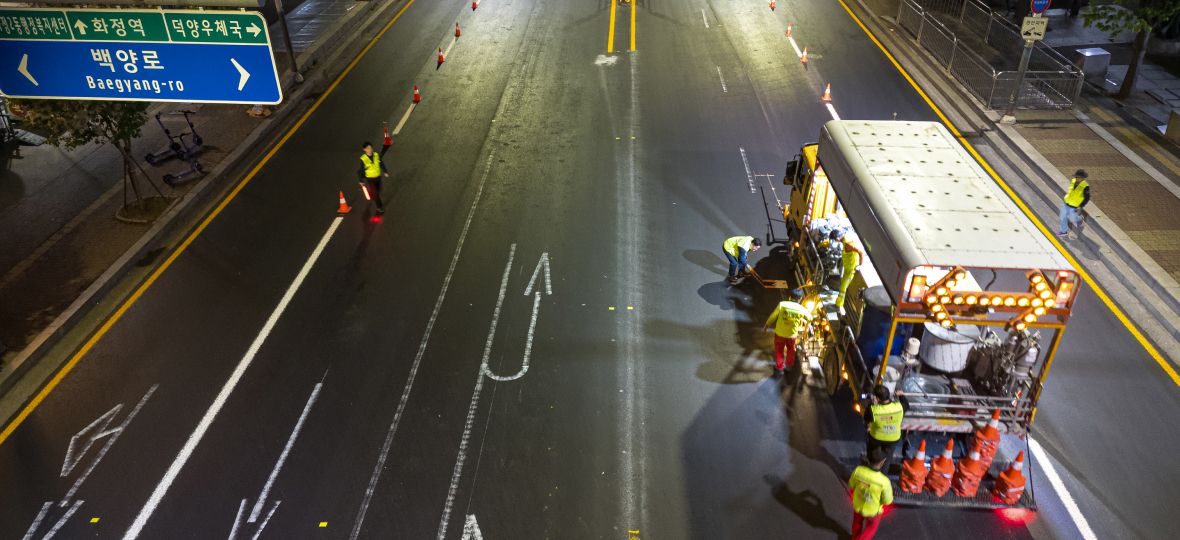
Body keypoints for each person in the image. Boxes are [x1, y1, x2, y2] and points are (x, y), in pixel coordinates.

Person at [763, 288, 811, 377]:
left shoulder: (782, 305)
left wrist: (767, 325)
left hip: (780, 334)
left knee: (779, 351)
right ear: (800, 298)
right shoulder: (801, 308)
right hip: (791, 335)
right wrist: (801, 317)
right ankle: (789, 366)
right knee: (790, 350)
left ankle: (779, 368)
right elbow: (810, 318)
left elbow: (773, 316)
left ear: (790, 297)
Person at [850, 447, 893, 540]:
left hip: (858, 505)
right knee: (871, 527)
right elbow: (888, 500)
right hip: (873, 512)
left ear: (868, 459)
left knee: (857, 523)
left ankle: (855, 538)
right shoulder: (884, 481)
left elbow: (851, 484)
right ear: (881, 463)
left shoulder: (858, 471)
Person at [863, 384, 905, 472]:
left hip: (876, 439)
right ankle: (883, 475)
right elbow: (906, 405)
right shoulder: (898, 407)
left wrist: (871, 404)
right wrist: (901, 395)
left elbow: (866, 418)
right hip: (893, 439)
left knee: (873, 459)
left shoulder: (874, 410)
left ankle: (871, 473)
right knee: (887, 459)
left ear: (877, 399)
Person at [833, 230, 866, 309]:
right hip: (848, 268)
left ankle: (839, 305)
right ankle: (839, 304)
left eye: (835, 239)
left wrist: (861, 265)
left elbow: (861, 252)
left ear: (837, 238)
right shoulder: (846, 241)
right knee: (842, 285)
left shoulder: (848, 244)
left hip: (852, 269)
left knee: (843, 287)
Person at [357, 142, 389, 214]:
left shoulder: (376, 155)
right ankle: (379, 206)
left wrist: (385, 171)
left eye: (370, 147)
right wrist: (360, 180)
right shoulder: (363, 159)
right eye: (368, 148)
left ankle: (373, 194)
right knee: (376, 194)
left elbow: (381, 163)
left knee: (379, 189)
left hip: (378, 177)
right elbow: (361, 170)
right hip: (370, 179)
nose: (370, 149)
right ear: (364, 149)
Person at [1057, 169, 1089, 237]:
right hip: (1066, 202)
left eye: (1078, 177)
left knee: (1072, 219)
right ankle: (1063, 231)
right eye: (1076, 177)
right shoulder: (1073, 181)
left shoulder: (1085, 186)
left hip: (1074, 206)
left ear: (1082, 178)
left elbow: (1087, 198)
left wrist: (1081, 205)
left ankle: (1080, 219)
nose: (1077, 178)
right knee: (1063, 217)